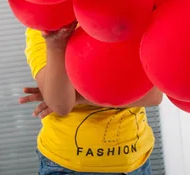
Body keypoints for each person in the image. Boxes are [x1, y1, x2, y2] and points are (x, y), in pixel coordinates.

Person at [20, 22, 163, 175]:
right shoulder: (47, 29)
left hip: (135, 163)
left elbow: (153, 95)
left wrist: (75, 96)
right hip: (67, 166)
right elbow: (61, 105)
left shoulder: (128, 19)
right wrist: (57, 46)